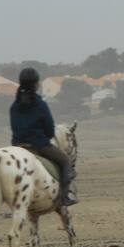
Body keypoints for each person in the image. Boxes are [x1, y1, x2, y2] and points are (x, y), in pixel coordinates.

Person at [10, 68, 78, 206]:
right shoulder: (40, 105)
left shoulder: (14, 106)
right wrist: (43, 137)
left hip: (17, 146)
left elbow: (14, 127)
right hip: (39, 146)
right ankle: (64, 197)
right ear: (36, 84)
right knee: (65, 161)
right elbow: (49, 129)